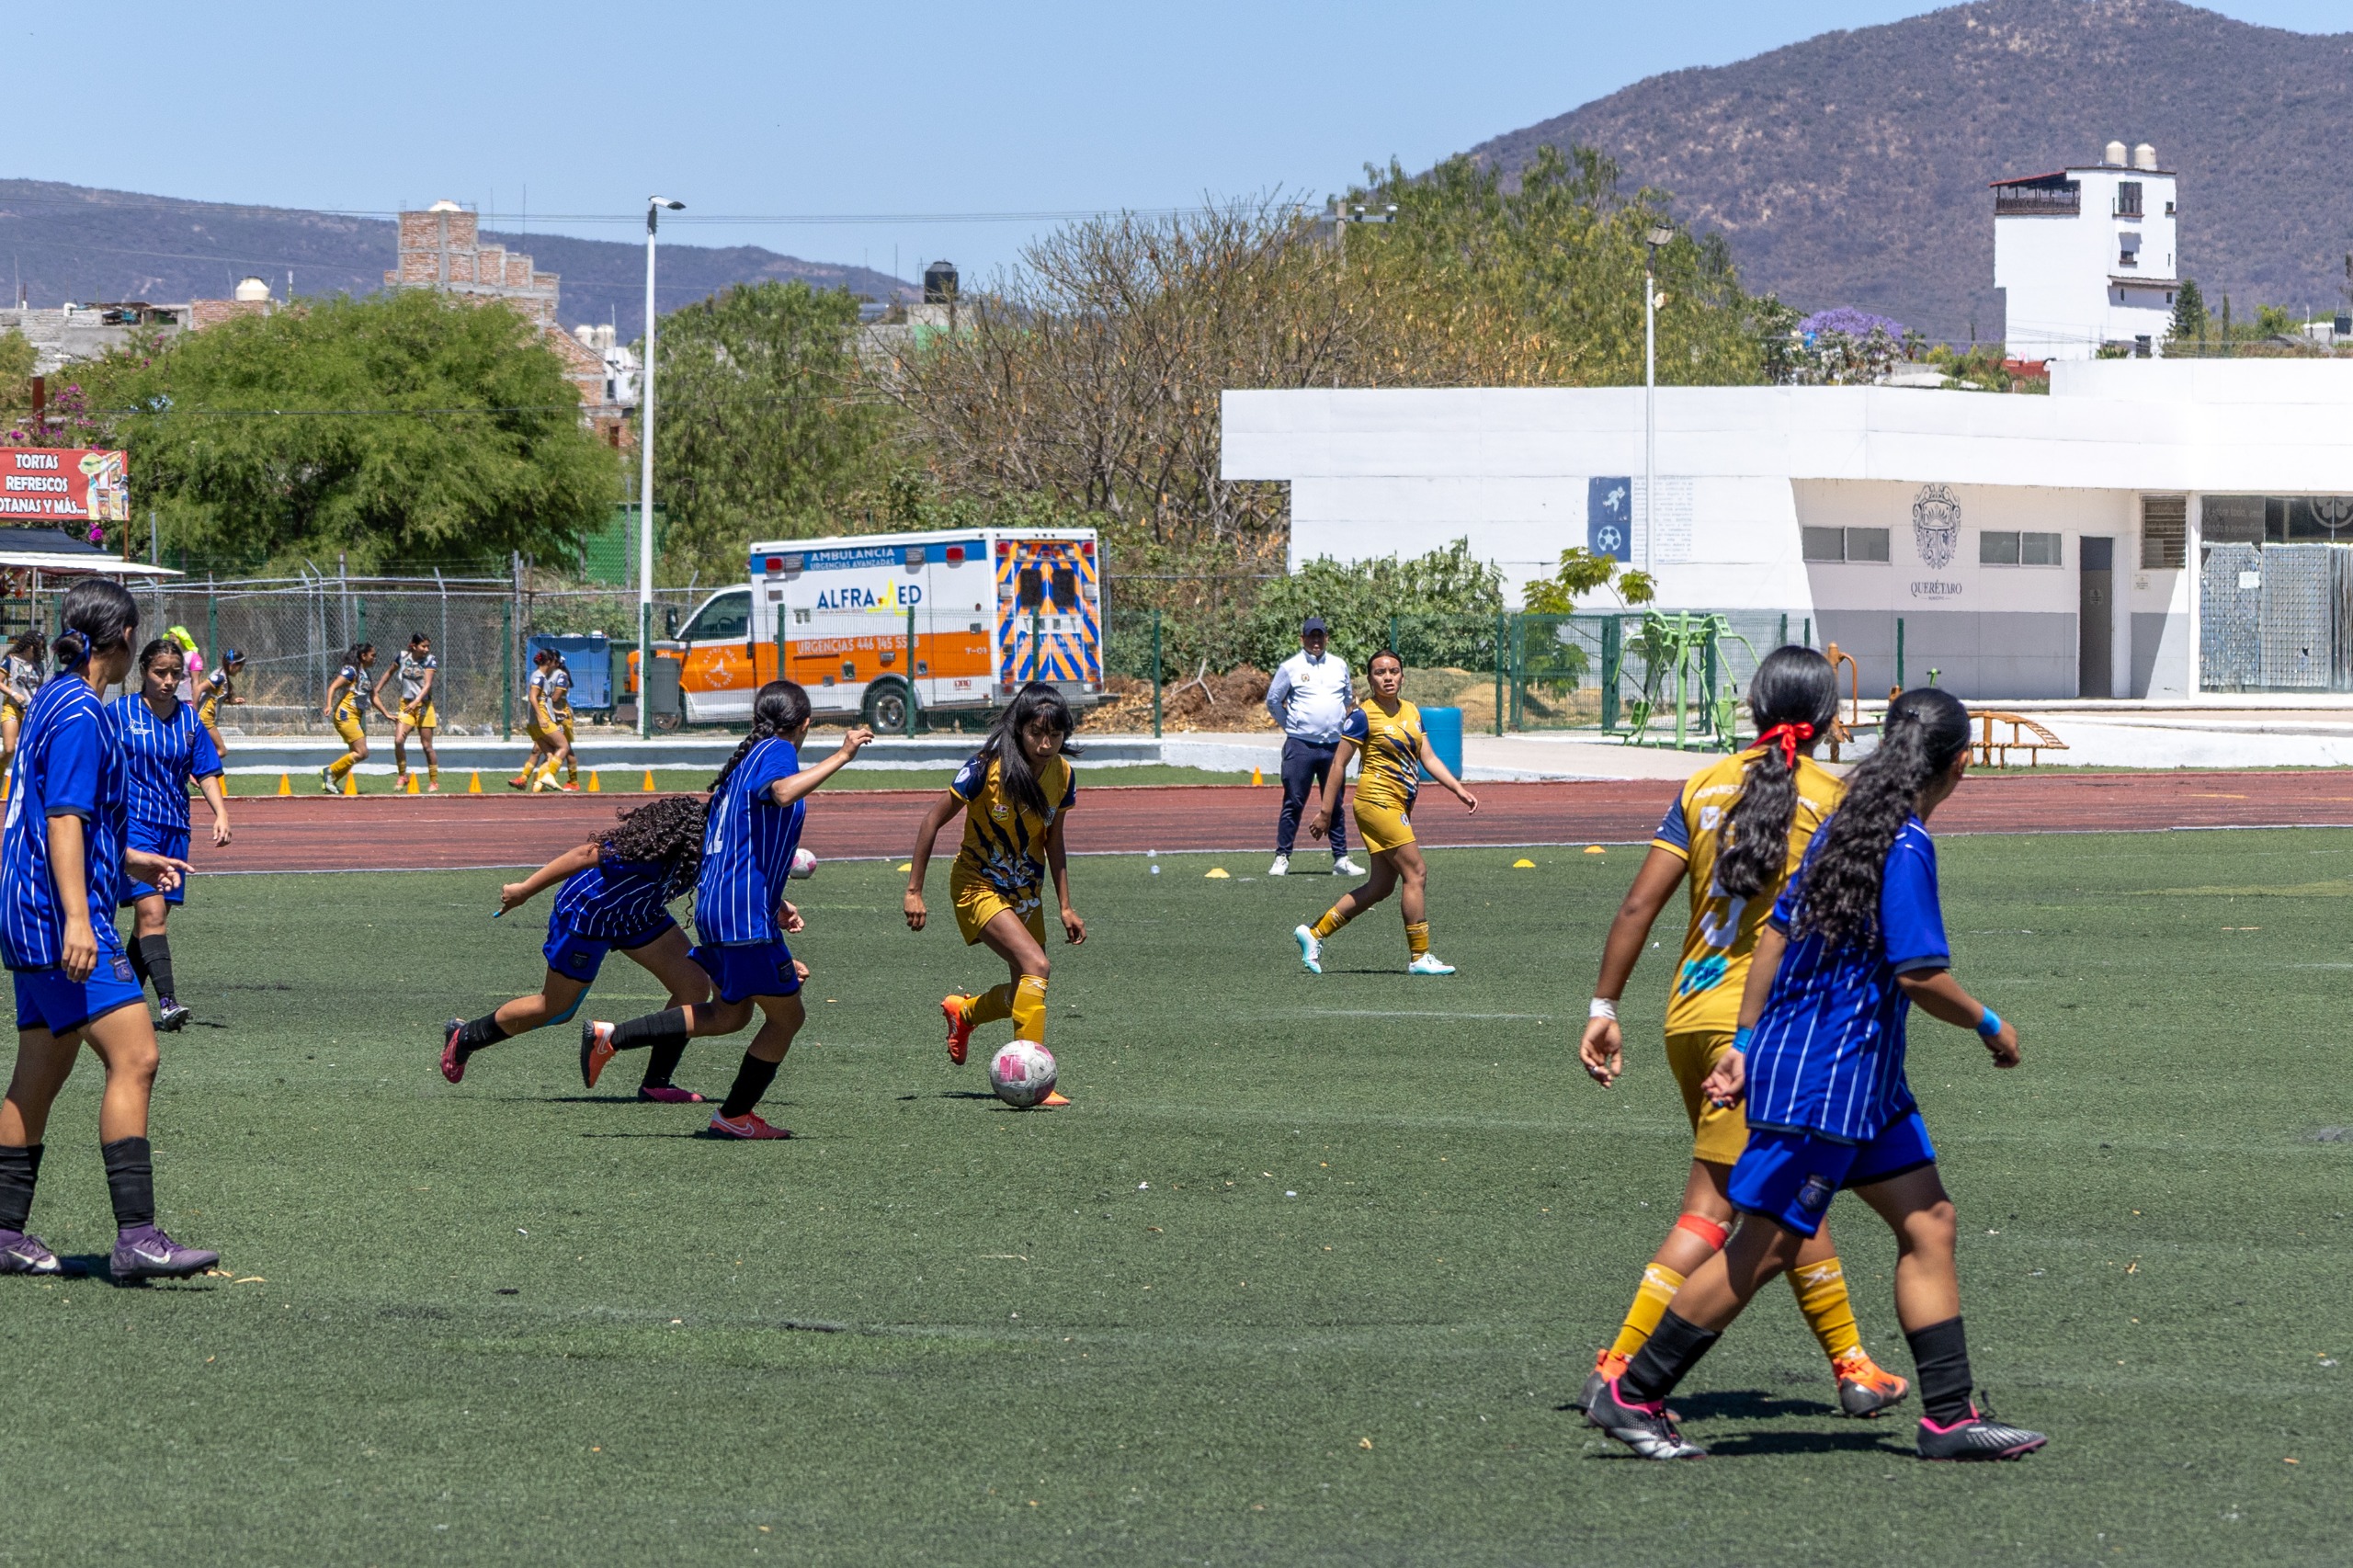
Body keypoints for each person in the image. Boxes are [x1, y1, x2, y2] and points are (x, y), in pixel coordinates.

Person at [1586, 687, 2047, 1463]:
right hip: (1824, 1079)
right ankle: (1634, 1395)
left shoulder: (1848, 824)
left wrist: (1746, 1039)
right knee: (1761, 1246)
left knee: (1929, 1221)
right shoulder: (1902, 844)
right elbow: (1920, 974)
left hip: (1862, 1081)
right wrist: (1990, 1024)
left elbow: (1774, 932)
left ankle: (1947, 1417)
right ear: (1961, 764)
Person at [1574, 646, 1908, 1419]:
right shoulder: (1832, 797)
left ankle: (1854, 1367)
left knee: (1782, 1201)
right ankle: (1619, 1367)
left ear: (1754, 708)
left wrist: (1603, 1008)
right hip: (1761, 1035)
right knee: (1715, 1211)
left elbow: (1637, 908)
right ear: (1829, 720)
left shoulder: (1700, 784)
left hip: (1686, 1018)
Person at [0, 578, 216, 1281]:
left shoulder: (52, 701)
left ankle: (3, 1233)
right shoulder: (84, 715)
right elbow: (63, 819)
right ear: (122, 638)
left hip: (25, 907)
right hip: (55, 914)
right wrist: (77, 918)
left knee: (40, 1070)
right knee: (137, 1055)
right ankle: (137, 1238)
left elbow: (61, 813)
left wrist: (128, 857)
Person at [581, 682, 872, 1139]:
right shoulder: (776, 750)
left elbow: (744, 846)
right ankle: (733, 1116)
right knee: (788, 1018)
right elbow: (781, 793)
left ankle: (611, 1038)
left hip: (726, 908)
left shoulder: (743, 763)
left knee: (730, 1015)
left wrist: (775, 903)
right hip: (740, 915)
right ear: (806, 723)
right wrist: (842, 756)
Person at [443, 795, 723, 1102]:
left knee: (693, 985)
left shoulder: (716, 848)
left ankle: (657, 1083)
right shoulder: (652, 849)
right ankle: (466, 1036)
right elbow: (582, 855)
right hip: (588, 916)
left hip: (640, 915)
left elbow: (733, 879)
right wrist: (524, 890)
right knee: (556, 1009)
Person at [907, 682, 1085, 1104]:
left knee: (1024, 988)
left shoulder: (1064, 775)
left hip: (1025, 892)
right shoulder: (985, 768)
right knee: (1037, 965)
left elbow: (1054, 841)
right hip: (976, 884)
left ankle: (963, 1012)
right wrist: (914, 890)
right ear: (1018, 729)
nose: (1045, 744)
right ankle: (1036, 1081)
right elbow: (932, 820)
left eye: (1055, 736)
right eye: (1036, 734)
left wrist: (1064, 904)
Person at [1291, 650, 1477, 976]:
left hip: (1397, 805)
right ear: (1370, 679)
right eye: (1380, 672)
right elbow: (1338, 763)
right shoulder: (1363, 715)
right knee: (1416, 873)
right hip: (1377, 803)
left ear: (1403, 676)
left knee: (1380, 886)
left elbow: (1428, 757)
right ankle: (1420, 957)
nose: (1388, 677)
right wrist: (1324, 811)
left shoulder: (1412, 711)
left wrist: (1457, 789)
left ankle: (1314, 932)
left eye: (1393, 671)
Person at [110, 639, 232, 1033]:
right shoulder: (119, 713)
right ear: (143, 670)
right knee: (152, 914)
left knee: (147, 926)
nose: (167, 681)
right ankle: (167, 1003)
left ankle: (115, 1001)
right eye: (160, 672)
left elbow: (207, 772)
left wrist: (221, 813)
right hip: (132, 827)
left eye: (175, 674)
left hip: (175, 827)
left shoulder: (190, 720)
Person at [1265, 616, 1364, 879]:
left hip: (1333, 747)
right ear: (1302, 639)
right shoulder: (1290, 667)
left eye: (1320, 636)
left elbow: (1346, 699)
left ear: (1327, 638)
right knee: (1294, 801)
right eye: (1311, 636)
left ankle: (1341, 858)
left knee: (1335, 803)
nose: (1316, 641)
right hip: (1301, 746)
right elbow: (1274, 700)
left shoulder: (1339, 665)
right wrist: (1292, 726)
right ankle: (1282, 856)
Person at [320, 642, 387, 794]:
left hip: (355, 716)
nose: (375, 658)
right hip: (345, 714)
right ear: (363, 656)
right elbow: (333, 687)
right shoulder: (352, 671)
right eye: (373, 655)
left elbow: (373, 696)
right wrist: (328, 705)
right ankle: (329, 771)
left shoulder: (366, 674)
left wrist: (386, 713)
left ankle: (331, 781)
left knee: (355, 754)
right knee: (362, 752)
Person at [378, 632, 441, 792]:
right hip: (406, 705)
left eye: (428, 646)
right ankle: (402, 776)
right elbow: (389, 672)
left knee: (427, 746)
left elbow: (427, 685)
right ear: (413, 645)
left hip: (424, 706)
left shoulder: (430, 660)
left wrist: (416, 702)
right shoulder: (403, 657)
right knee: (399, 740)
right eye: (423, 646)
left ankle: (433, 781)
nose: (426, 649)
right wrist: (377, 690)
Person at [510, 650, 555, 791]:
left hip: (541, 719)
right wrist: (542, 717)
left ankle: (523, 779)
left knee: (537, 750)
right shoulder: (539, 677)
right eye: (553, 661)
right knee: (554, 753)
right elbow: (534, 697)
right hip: (543, 720)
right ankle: (539, 783)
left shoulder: (543, 677)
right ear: (549, 662)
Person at [1, 631, 45, 772]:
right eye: (37, 645)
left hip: (30, 711)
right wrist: (13, 693)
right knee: (9, 749)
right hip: (12, 708)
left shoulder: (39, 665)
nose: (39, 649)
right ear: (28, 644)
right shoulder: (11, 660)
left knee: (28, 751)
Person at [196, 649, 246, 757]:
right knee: (221, 751)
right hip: (205, 719)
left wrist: (232, 701)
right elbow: (198, 689)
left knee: (206, 750)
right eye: (240, 667)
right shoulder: (219, 677)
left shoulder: (223, 677)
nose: (240, 670)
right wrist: (194, 714)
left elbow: (214, 697)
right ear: (233, 665)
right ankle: (202, 768)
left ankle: (200, 769)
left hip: (207, 718)